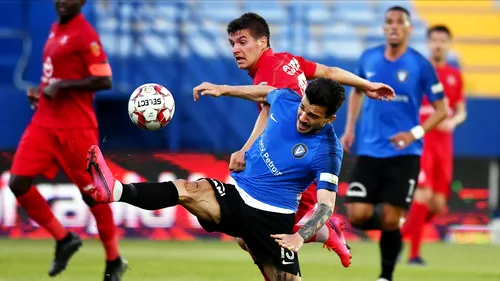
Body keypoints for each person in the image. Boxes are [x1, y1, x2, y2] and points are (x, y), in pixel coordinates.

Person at [84, 78, 390, 281]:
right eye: (303, 108)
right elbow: (263, 92)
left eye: (313, 115)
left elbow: (325, 205)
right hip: (239, 196)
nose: (303, 117)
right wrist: (222, 89)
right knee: (191, 189)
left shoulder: (328, 150)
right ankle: (116, 190)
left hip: (272, 223)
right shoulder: (286, 99)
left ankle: (321, 238)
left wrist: (298, 237)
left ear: (330, 119)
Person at [220, 12, 395, 271]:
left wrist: (245, 151)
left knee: (256, 232)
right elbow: (330, 72)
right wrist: (366, 85)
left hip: (299, 162)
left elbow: (270, 114)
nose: (236, 49)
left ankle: (326, 230)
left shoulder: (270, 72)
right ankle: (325, 231)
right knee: (249, 236)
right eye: (232, 43)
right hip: (294, 158)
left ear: (263, 41)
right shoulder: (287, 60)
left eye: (243, 41)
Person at [9, 0, 127, 279]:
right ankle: (64, 239)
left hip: (76, 128)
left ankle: (114, 259)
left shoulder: (85, 35)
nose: (63, 1)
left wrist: (63, 87)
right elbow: (55, 74)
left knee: (95, 196)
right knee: (17, 182)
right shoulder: (54, 29)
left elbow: (104, 80)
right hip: (44, 123)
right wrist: (42, 91)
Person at [340, 6, 448, 281]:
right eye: (389, 21)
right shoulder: (369, 58)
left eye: (400, 22)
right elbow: (356, 92)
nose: (393, 26)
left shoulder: (420, 65)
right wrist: (350, 128)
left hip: (404, 154)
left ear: (410, 29)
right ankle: (394, 224)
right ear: (384, 27)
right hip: (370, 150)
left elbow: (441, 110)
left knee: (389, 219)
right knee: (358, 215)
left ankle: (385, 276)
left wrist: (414, 134)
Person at [401, 24, 467, 265]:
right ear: (428, 43)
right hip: (423, 142)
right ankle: (413, 255)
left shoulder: (455, 75)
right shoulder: (418, 72)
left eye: (443, 41)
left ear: (448, 44)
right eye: (434, 40)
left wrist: (454, 122)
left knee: (438, 205)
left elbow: (461, 111)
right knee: (423, 195)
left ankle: (398, 238)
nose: (438, 45)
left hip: (444, 145)